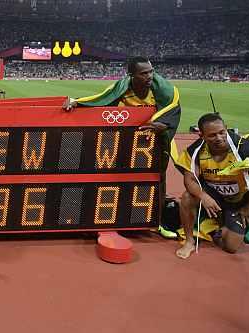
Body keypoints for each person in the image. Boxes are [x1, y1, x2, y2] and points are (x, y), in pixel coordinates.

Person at [63, 56, 182, 237]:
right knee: (121, 178)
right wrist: (77, 102)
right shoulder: (122, 88)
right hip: (127, 141)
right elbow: (102, 99)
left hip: (155, 139)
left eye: (151, 71)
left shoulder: (164, 89)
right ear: (131, 75)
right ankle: (117, 218)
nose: (149, 76)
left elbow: (173, 108)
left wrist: (163, 125)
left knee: (158, 179)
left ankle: (157, 223)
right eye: (143, 73)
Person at [175, 113, 249, 259]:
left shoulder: (245, 148)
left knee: (231, 247)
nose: (219, 138)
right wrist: (203, 196)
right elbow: (189, 179)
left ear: (226, 128)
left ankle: (219, 225)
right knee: (187, 197)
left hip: (238, 201)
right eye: (212, 135)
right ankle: (189, 241)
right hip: (212, 193)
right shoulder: (196, 150)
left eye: (222, 132)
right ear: (201, 135)